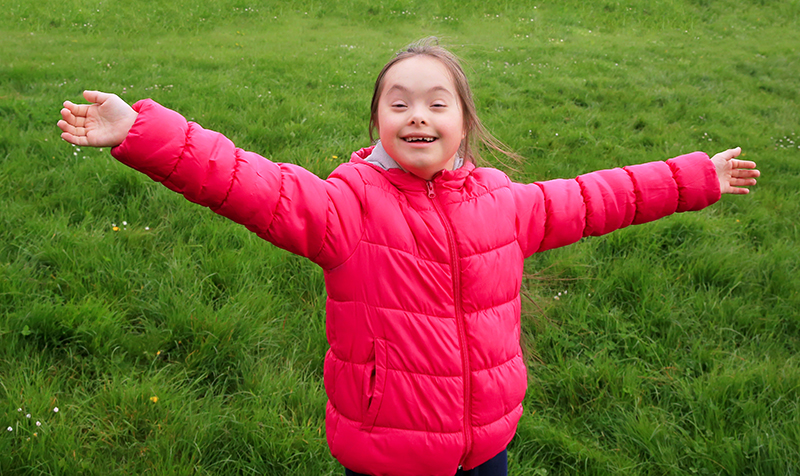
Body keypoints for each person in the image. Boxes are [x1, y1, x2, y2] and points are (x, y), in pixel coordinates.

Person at [57, 38, 759, 476]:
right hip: (388, 453)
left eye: (435, 102)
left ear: (464, 123)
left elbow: (602, 196)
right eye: (399, 104)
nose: (417, 114)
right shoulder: (345, 208)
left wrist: (697, 176)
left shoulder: (503, 204)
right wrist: (142, 133)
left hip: (486, 447)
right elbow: (247, 180)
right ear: (378, 125)